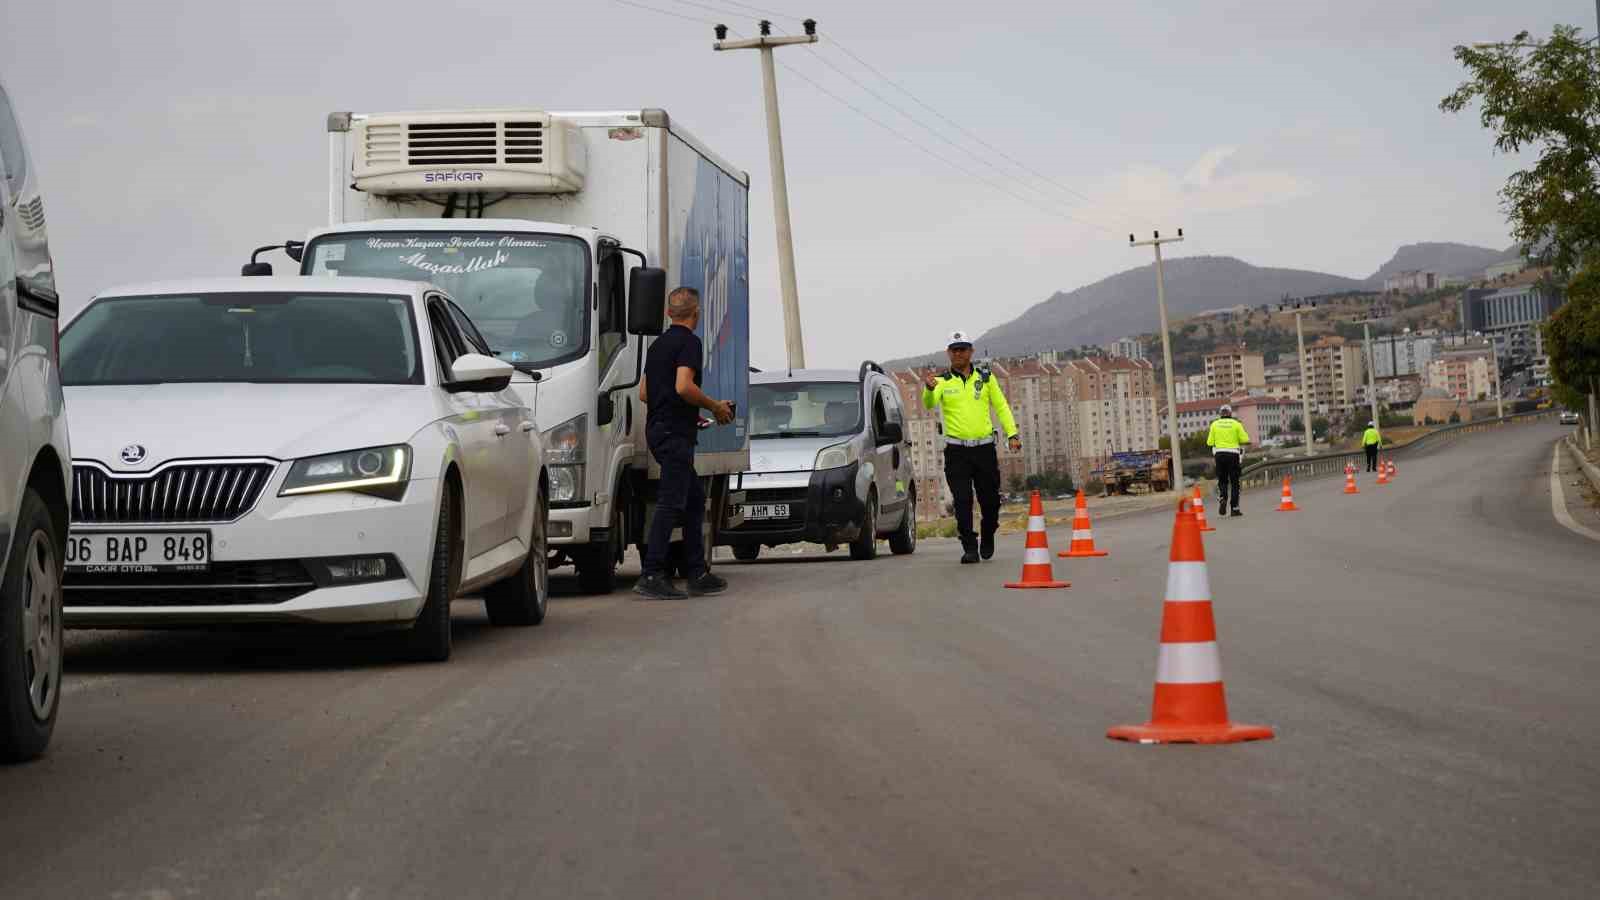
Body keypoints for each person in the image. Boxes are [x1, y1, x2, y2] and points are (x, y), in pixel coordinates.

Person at [633, 287, 734, 601]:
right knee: (670, 502)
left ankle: (697, 573)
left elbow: (645, 393)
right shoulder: (690, 342)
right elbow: (682, 386)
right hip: (675, 435)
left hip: (658, 430)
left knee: (692, 500)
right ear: (697, 314)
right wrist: (714, 406)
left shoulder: (658, 346)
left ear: (668, 313)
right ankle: (651, 574)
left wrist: (688, 414)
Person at [922, 331, 1021, 564]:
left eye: (963, 349)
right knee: (962, 500)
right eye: (954, 350)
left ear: (971, 352)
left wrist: (1013, 434)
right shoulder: (943, 381)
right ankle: (969, 546)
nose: (958, 353)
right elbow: (929, 403)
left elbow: (1002, 407)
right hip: (957, 452)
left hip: (984, 449)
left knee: (990, 501)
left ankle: (988, 533)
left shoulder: (986, 378)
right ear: (948, 353)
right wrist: (928, 388)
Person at [1206, 404, 1250, 517]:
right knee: (1235, 482)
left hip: (1219, 455)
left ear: (1220, 414)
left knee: (1222, 480)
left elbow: (1209, 442)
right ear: (1230, 414)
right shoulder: (1236, 424)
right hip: (1233, 455)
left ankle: (1222, 498)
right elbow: (1245, 439)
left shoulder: (1214, 424)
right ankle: (1234, 508)